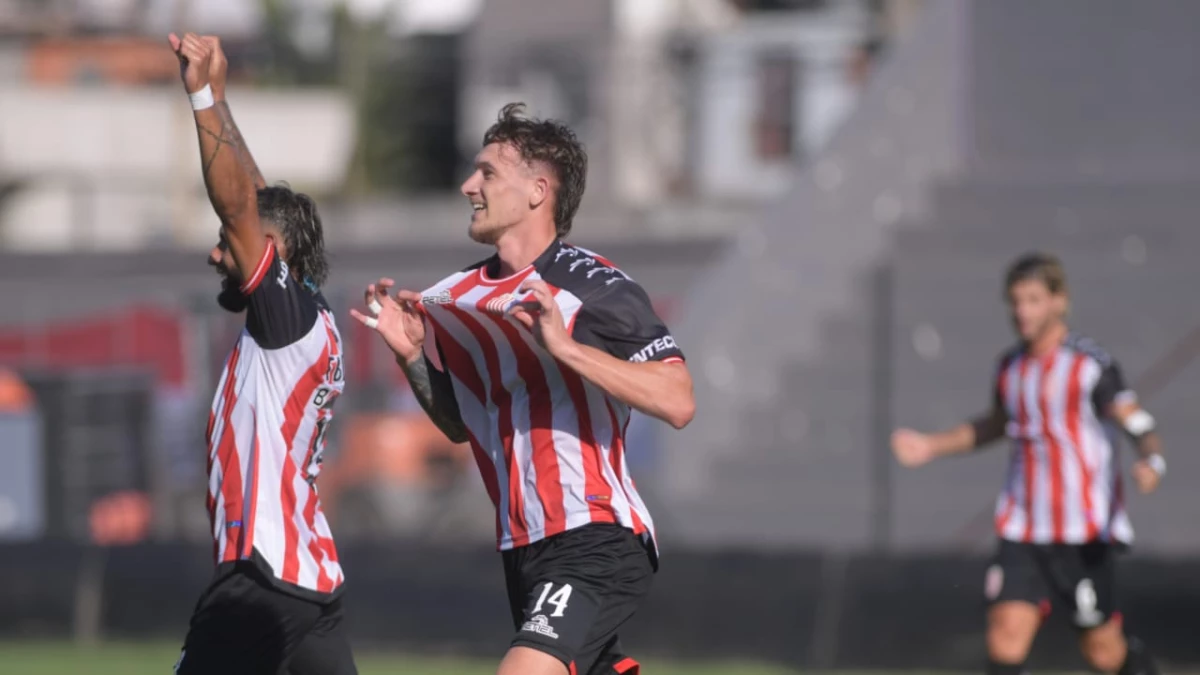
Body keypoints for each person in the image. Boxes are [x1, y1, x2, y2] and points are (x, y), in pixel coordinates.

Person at [352, 103, 695, 675]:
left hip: (595, 534)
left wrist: (566, 349)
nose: (468, 186)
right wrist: (411, 353)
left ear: (538, 191)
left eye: (487, 173)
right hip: (522, 547)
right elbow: (461, 425)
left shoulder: (593, 283)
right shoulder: (455, 294)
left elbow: (679, 399)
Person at [167, 33, 356, 675]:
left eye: (231, 244)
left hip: (260, 580)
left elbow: (240, 203)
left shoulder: (286, 321)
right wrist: (219, 94)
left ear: (273, 251)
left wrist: (196, 97)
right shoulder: (304, 314)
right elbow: (255, 195)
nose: (218, 253)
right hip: (309, 590)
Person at [892, 253, 1163, 675]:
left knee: (1103, 652)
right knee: (1005, 634)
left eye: (1034, 300)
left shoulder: (1089, 365)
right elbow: (996, 424)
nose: (1022, 312)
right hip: (1023, 526)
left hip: (1082, 531)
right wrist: (931, 446)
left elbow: (1134, 419)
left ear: (1058, 301)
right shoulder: (1010, 367)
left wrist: (1151, 459)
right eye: (1016, 301)